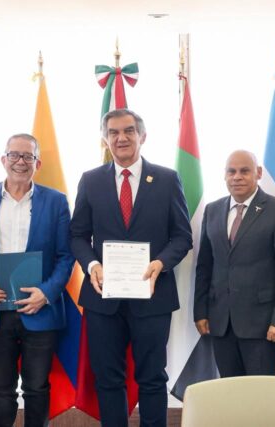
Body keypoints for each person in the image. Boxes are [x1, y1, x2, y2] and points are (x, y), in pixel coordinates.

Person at [70, 109, 192, 427]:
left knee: (152, 377)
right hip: (102, 299)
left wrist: (160, 263)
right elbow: (77, 235)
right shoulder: (90, 180)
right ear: (105, 138)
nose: (121, 138)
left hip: (153, 296)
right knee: (108, 378)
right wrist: (92, 264)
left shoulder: (167, 179)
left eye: (128, 131)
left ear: (142, 136)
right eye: (113, 132)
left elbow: (182, 236)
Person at [0, 133, 73, 427]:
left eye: (28, 156)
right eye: (14, 155)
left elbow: (66, 256)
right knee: (1, 389)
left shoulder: (56, 201)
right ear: (3, 159)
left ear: (38, 163)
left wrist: (46, 293)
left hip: (40, 310)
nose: (20, 162)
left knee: (37, 388)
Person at [194, 150, 275, 377]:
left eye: (244, 171)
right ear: (224, 175)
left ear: (258, 173)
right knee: (231, 391)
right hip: (221, 324)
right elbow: (205, 266)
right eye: (231, 171)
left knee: (262, 394)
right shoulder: (212, 210)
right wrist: (200, 311)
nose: (237, 177)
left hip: (264, 327)